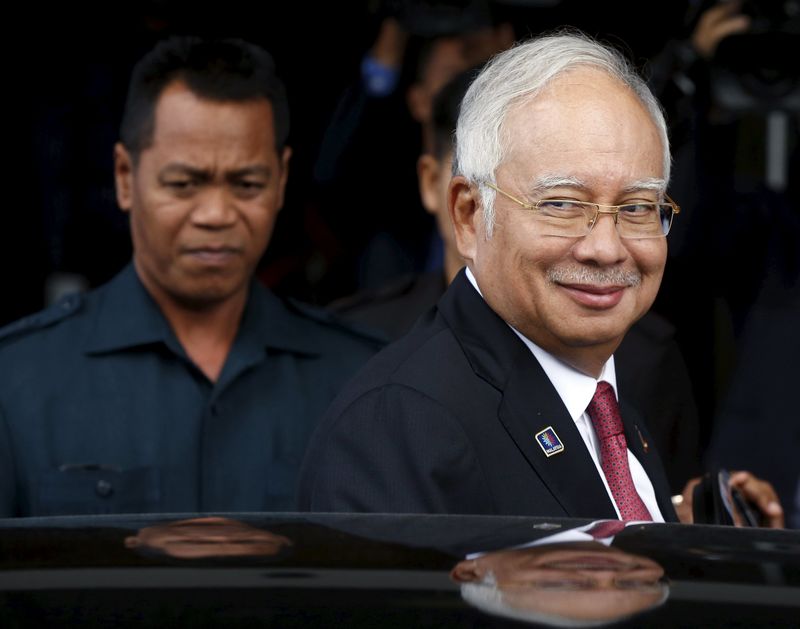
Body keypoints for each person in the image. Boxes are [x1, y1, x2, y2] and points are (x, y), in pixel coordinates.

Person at [297, 31, 784, 526]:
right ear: (469, 215)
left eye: (637, 207)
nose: (606, 247)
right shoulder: (398, 427)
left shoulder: (607, 406)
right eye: (562, 205)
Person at [0, 36, 380, 517]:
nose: (217, 214)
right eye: (183, 184)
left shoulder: (360, 380)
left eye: (247, 184)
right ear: (124, 176)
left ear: (281, 181)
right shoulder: (18, 383)